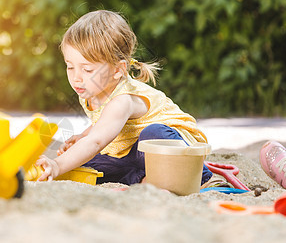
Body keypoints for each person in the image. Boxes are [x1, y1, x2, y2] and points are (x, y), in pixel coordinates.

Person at [36, 9, 213, 186]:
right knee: (89, 165)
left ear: (117, 70)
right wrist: (83, 136)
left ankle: (199, 175)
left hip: (176, 145)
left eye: (87, 69)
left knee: (152, 134)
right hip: (133, 151)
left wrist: (57, 165)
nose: (76, 77)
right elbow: (103, 123)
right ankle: (145, 179)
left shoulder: (123, 99)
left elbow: (97, 141)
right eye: (70, 66)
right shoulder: (89, 90)